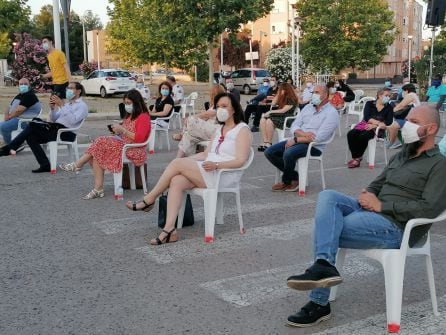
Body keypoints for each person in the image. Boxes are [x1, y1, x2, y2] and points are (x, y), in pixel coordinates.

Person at [285, 105, 446, 328]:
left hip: (397, 226)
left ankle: (319, 302)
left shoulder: (439, 164)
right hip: (373, 212)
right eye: (407, 119)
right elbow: (379, 181)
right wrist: (369, 193)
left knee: (330, 227)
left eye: (414, 121)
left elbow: (430, 208)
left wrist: (382, 206)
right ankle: (323, 264)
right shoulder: (403, 154)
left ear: (431, 128)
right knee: (328, 197)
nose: (406, 125)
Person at [125, 92, 252, 245]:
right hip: (208, 170)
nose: (220, 110)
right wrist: (185, 163)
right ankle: (169, 230)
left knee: (177, 163)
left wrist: (217, 165)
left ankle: (149, 199)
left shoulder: (242, 129)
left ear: (234, 109)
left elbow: (241, 160)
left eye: (224, 106)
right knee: (177, 179)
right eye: (218, 107)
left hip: (223, 175)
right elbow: (206, 154)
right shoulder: (219, 129)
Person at [60, 89, 151, 199]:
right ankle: (97, 188)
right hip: (124, 145)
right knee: (98, 148)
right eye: (125, 103)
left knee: (100, 142)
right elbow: (125, 135)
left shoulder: (143, 117)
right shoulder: (130, 116)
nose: (126, 106)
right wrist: (117, 132)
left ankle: (78, 165)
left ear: (136, 103)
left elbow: (140, 139)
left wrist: (123, 130)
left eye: (128, 103)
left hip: (135, 150)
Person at [264, 85, 339, 191]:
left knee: (288, 153)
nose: (314, 95)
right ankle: (294, 176)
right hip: (300, 138)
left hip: (314, 146)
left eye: (317, 92)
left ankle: (287, 181)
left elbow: (319, 137)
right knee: (269, 152)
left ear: (326, 95)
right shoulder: (308, 107)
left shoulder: (332, 113)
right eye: (313, 93)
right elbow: (294, 125)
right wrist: (303, 134)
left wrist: (296, 140)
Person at [0, 82, 88, 172]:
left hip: (67, 133)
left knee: (33, 124)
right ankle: (45, 165)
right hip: (56, 129)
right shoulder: (68, 105)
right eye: (67, 88)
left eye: (71, 88)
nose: (68, 90)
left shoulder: (82, 106)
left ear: (78, 91)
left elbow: (73, 120)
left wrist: (62, 105)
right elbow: (54, 119)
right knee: (31, 137)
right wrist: (53, 109)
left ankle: (10, 147)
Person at [346, 88, 394, 168]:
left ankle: (356, 159)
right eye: (386, 95)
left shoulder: (389, 107)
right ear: (379, 95)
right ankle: (357, 156)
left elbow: (389, 121)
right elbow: (367, 117)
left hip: (378, 129)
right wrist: (378, 123)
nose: (388, 97)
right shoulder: (369, 104)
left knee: (364, 136)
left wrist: (375, 126)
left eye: (389, 96)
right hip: (365, 125)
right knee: (351, 134)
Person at [174, 84, 225, 157]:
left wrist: (192, 118)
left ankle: (182, 134)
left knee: (191, 120)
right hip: (207, 129)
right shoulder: (213, 105)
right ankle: (178, 160)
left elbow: (208, 114)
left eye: (212, 93)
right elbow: (205, 117)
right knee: (187, 136)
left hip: (215, 130)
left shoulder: (222, 104)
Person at [258, 83, 299, 151]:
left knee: (269, 121)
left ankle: (269, 142)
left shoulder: (291, 99)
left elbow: (283, 111)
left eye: (281, 89)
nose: (279, 91)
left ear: (286, 90)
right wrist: (277, 95)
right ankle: (265, 141)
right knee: (263, 119)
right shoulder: (282, 97)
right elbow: (273, 103)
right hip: (281, 115)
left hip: (287, 117)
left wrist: (270, 112)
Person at [0, 78, 41, 146]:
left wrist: (9, 117)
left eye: (25, 84)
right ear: (18, 85)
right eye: (21, 84)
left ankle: (11, 145)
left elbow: (18, 111)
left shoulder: (29, 95)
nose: (23, 86)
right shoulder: (19, 95)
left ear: (29, 85)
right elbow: (9, 107)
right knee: (1, 126)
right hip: (17, 119)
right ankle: (14, 142)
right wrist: (6, 116)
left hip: (25, 121)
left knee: (3, 127)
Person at [387, 83, 420, 149]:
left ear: (406, 91)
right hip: (412, 118)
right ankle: (395, 140)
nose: (402, 93)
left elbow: (400, 106)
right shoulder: (413, 95)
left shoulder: (410, 95)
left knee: (391, 124)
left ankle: (394, 142)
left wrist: (391, 111)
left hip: (413, 120)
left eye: (403, 91)